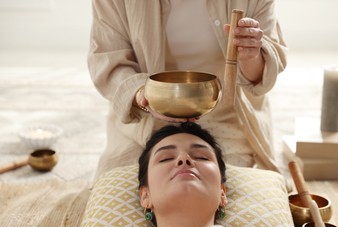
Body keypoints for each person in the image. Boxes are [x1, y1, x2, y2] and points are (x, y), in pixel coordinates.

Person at [88, 0, 287, 180]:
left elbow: (262, 76)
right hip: (143, 119)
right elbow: (109, 61)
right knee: (124, 192)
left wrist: (249, 56)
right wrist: (143, 95)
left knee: (222, 191)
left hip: (226, 116)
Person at [53, 123, 305, 227]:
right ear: (145, 195)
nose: (184, 159)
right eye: (165, 159)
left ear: (222, 193)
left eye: (200, 156)